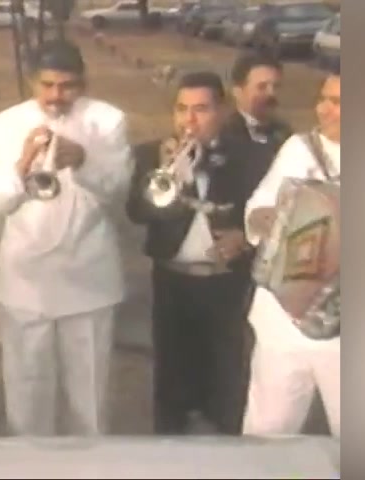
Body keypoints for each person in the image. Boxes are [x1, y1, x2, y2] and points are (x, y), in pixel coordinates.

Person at [0, 39, 133, 436]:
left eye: (67, 86)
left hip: (89, 277)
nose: (56, 96)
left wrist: (84, 160)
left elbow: (117, 192)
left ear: (83, 83)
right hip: (26, 281)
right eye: (47, 85)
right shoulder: (4, 124)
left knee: (90, 401)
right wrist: (23, 163)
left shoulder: (108, 121)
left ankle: (90, 465)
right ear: (32, 82)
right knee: (27, 398)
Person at [126, 71, 262, 435]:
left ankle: (226, 446)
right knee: (171, 375)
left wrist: (246, 237)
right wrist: (171, 178)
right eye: (182, 109)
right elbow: (136, 212)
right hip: (172, 280)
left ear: (222, 111)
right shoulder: (152, 154)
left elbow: (268, 212)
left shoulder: (249, 156)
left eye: (201, 109)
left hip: (225, 282)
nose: (189, 120)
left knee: (226, 375)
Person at [242, 69, 341, 438]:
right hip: (282, 322)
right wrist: (263, 219)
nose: (324, 110)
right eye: (323, 99)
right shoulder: (299, 149)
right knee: (268, 434)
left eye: (337, 102)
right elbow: (257, 206)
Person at [222, 53, 292, 188]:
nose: (271, 93)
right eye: (262, 87)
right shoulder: (222, 134)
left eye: (276, 86)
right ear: (237, 92)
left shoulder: (285, 134)